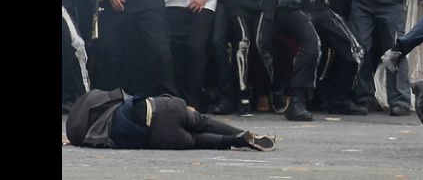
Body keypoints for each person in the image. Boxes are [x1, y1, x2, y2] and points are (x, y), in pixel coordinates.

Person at [66, 88, 275, 151]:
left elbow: (78, 137)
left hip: (159, 136)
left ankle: (237, 140)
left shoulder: (95, 136)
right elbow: (124, 95)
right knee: (201, 121)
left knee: (196, 141)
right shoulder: (107, 101)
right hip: (161, 108)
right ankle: (243, 133)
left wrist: (73, 140)